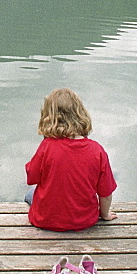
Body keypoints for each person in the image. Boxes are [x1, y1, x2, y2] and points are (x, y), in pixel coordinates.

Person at [25, 88, 117, 232]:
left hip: (45, 220)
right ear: (81, 114)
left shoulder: (47, 146)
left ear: (48, 117)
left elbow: (32, 177)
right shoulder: (97, 150)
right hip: (85, 221)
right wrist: (104, 215)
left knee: (30, 193)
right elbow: (105, 193)